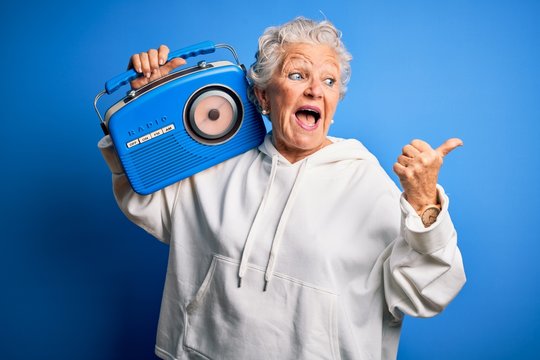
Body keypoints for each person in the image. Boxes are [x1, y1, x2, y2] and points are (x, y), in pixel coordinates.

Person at [99, 17, 466, 360]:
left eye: (328, 81)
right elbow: (146, 203)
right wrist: (152, 102)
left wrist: (423, 204)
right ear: (262, 97)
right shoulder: (216, 163)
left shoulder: (366, 184)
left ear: (335, 101)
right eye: (296, 74)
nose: (314, 90)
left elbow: (427, 293)